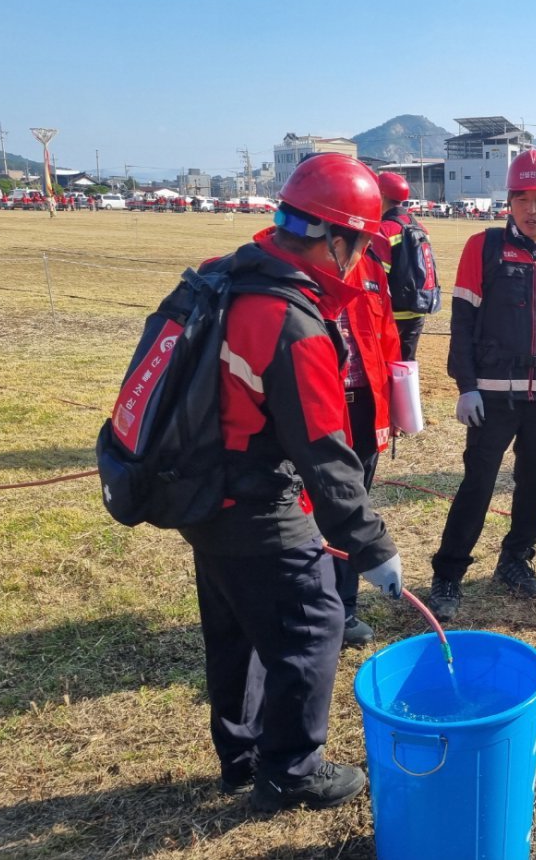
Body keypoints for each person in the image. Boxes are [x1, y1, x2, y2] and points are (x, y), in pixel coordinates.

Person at [178, 154, 403, 813]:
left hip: (200, 492)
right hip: (255, 502)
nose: (362, 262)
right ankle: (291, 771)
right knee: (313, 623)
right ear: (334, 239)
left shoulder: (232, 276)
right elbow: (328, 460)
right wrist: (374, 551)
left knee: (236, 628)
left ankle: (242, 757)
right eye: (360, 246)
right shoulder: (292, 323)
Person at [427, 149, 536, 623]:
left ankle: (515, 561)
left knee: (535, 482)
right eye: (523, 198)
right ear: (510, 201)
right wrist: (466, 386)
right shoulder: (484, 248)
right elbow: (462, 323)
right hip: (492, 395)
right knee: (478, 485)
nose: (532, 208)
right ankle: (449, 574)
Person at [330, 229, 403, 647]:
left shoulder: (374, 269)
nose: (360, 245)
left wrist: (393, 403)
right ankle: (313, 605)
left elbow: (388, 337)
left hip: (363, 407)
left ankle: (344, 608)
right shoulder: (299, 274)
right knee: (311, 513)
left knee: (353, 506)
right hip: (319, 410)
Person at [377, 172, 438, 361]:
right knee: (407, 366)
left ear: (381, 195)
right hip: (418, 309)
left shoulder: (384, 230)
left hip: (392, 314)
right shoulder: (419, 227)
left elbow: (377, 275)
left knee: (386, 366)